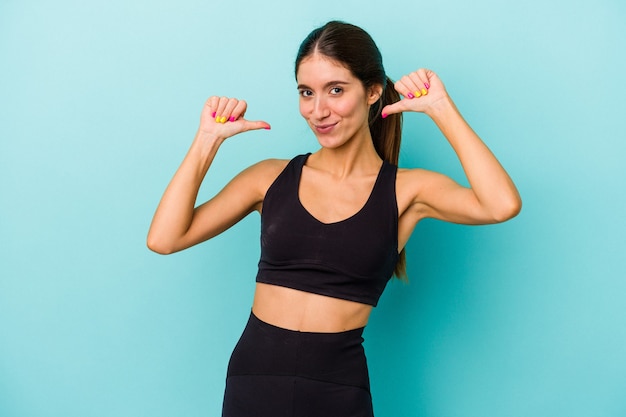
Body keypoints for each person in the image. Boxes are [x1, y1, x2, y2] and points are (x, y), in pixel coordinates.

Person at [147, 20, 521, 417]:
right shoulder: (269, 177)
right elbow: (165, 239)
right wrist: (207, 141)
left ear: (373, 91)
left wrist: (440, 109)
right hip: (253, 382)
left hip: (337, 390)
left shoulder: (407, 191)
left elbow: (501, 205)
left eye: (336, 90)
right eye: (307, 93)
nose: (318, 110)